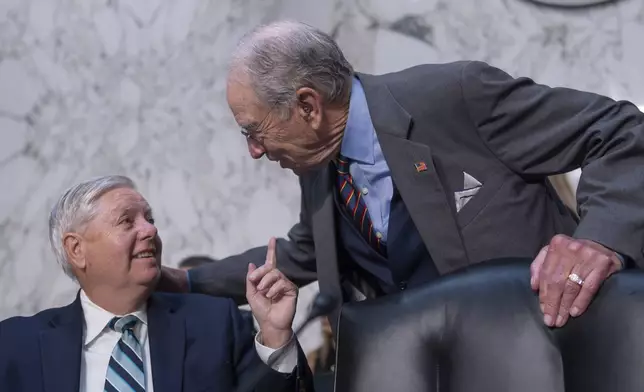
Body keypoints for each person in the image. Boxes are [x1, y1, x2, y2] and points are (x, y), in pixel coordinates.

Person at [159, 20, 644, 332]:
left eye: (255, 130)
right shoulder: (319, 167)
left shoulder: (454, 97)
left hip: (549, 352)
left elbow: (621, 130)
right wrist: (184, 281)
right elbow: (298, 255)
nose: (254, 151)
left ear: (308, 105)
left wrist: (599, 239)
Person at [0, 175, 313, 392]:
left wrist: (275, 337)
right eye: (127, 221)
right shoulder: (16, 345)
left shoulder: (215, 324)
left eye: (149, 218)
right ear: (77, 249)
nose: (149, 230)